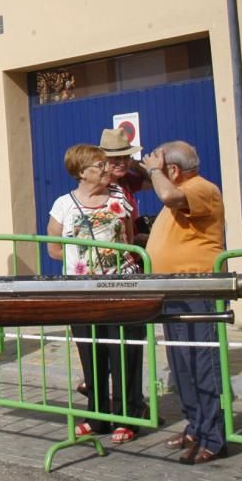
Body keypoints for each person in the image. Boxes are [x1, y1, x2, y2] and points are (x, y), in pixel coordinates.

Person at [143, 140, 227, 465]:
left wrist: (154, 170)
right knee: (181, 363)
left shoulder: (202, 188)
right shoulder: (181, 191)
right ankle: (195, 426)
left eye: (162, 170)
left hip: (197, 288)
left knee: (201, 361)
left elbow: (167, 194)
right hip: (175, 289)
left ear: (173, 170)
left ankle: (214, 437)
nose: (156, 177)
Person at [46, 144, 138, 442]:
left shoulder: (118, 197)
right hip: (82, 291)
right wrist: (81, 260)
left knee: (123, 351)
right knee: (91, 353)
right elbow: (54, 247)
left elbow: (129, 237)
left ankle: (127, 417)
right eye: (99, 165)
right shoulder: (64, 204)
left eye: (105, 164)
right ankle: (97, 416)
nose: (106, 169)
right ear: (81, 172)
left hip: (120, 287)